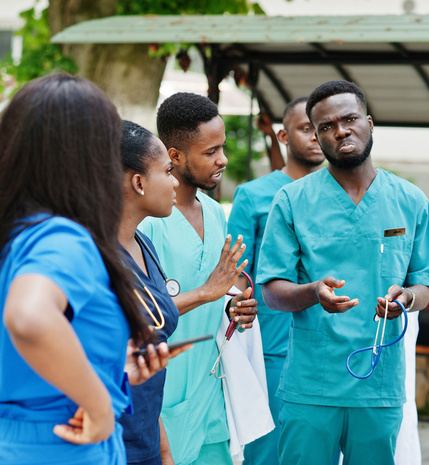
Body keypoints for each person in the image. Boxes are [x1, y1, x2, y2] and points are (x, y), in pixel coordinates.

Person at [0, 73, 169, 465]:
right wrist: (98, 406)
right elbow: (29, 317)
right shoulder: (64, 236)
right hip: (57, 446)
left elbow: (21, 359)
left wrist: (111, 369)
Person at [257, 80, 429, 465]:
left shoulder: (411, 201)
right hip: (312, 385)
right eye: (325, 126)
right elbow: (272, 290)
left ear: (370, 123)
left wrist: (406, 299)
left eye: (349, 119)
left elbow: (424, 286)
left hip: (378, 384)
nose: (339, 130)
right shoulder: (292, 200)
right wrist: (312, 292)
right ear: (317, 136)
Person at [138, 92, 260, 465]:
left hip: (211, 394)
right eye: (210, 152)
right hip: (166, 394)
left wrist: (238, 305)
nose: (223, 159)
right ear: (174, 156)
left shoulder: (214, 211)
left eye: (222, 148)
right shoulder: (148, 221)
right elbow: (140, 316)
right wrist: (209, 292)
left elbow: (224, 284)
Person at [227, 97, 324, 465]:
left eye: (323, 129)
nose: (317, 137)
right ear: (283, 135)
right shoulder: (252, 195)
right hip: (272, 345)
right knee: (267, 451)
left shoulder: (345, 193)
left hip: (330, 345)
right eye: (307, 128)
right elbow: (238, 277)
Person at [118, 120, 193, 465]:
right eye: (167, 171)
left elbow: (147, 375)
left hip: (145, 440)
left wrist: (162, 451)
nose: (175, 181)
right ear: (138, 182)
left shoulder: (143, 244)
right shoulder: (91, 259)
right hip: (106, 446)